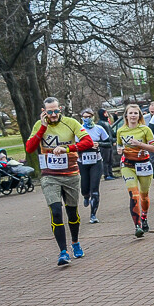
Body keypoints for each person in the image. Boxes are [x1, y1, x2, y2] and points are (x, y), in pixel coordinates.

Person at [25, 97, 94, 265]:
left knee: (72, 212)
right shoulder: (38, 125)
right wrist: (42, 128)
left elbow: (88, 141)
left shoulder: (71, 123)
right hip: (50, 176)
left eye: (56, 111)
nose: (54, 115)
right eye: (50, 112)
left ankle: (75, 243)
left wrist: (68, 148)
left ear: (60, 109)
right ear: (44, 111)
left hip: (70, 174)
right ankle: (63, 252)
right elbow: (29, 148)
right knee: (56, 211)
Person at [116, 104, 154, 238]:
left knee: (144, 196)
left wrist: (139, 144)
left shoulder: (145, 130)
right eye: (131, 113)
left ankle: (144, 217)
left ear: (139, 116)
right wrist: (119, 150)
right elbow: (119, 145)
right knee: (134, 195)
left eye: (135, 113)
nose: (133, 116)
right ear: (126, 116)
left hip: (144, 164)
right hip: (127, 165)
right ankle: (137, 225)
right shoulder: (120, 131)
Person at [79, 108, 108, 223]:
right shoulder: (79, 129)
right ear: (81, 118)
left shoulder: (99, 129)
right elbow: (73, 145)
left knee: (95, 189)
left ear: (93, 117)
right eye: (84, 117)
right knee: (85, 188)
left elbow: (109, 142)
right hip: (83, 162)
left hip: (96, 161)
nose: (87, 119)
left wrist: (99, 143)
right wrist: (82, 146)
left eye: (89, 117)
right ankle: (86, 196)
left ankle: (93, 215)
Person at [96, 109, 117, 179]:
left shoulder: (106, 123)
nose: (107, 114)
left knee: (110, 160)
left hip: (109, 144)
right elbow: (105, 136)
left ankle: (110, 173)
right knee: (106, 160)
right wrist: (112, 140)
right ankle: (106, 175)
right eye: (105, 113)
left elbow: (112, 133)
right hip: (104, 145)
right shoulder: (101, 123)